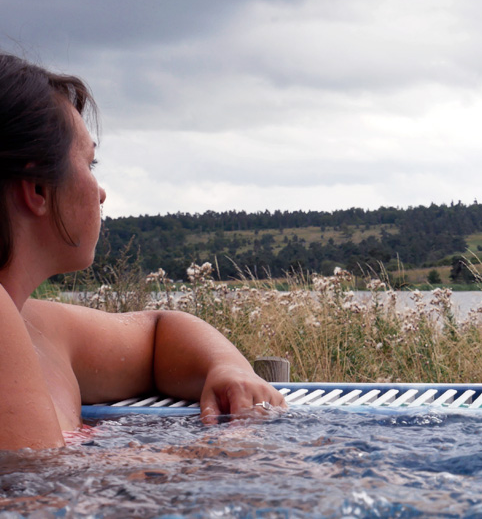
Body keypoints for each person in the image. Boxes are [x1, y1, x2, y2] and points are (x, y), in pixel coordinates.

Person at [0, 53, 286, 450]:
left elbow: (156, 334)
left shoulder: (35, 325)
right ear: (38, 190)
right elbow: (36, 495)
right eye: (90, 163)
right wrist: (200, 461)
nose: (101, 193)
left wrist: (227, 367)